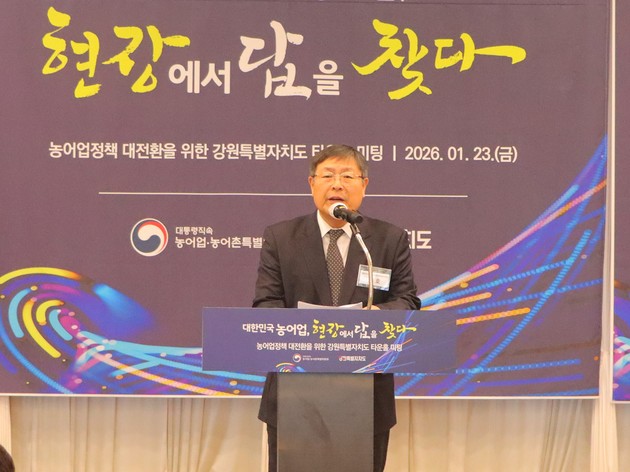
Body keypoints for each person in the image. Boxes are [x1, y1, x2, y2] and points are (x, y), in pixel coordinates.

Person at [253, 144, 421, 472]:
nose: (337, 185)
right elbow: (265, 303)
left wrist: (378, 317)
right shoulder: (281, 237)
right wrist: (306, 330)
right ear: (312, 183)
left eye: (347, 176)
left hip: (366, 392)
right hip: (295, 390)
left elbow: (408, 300)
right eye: (328, 176)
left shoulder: (389, 239)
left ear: (364, 185)